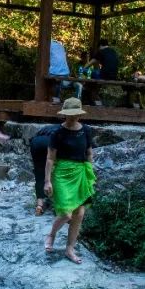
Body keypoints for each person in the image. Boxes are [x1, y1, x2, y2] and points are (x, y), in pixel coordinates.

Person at [44, 97, 96, 264]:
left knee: (79, 213)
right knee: (66, 213)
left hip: (80, 172)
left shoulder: (86, 130)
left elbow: (89, 153)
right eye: (69, 115)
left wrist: (89, 174)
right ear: (64, 115)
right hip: (61, 174)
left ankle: (69, 249)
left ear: (80, 114)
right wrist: (47, 181)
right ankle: (52, 234)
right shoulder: (57, 133)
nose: (73, 118)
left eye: (75, 115)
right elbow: (50, 158)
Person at [29, 124, 60, 215]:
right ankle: (57, 203)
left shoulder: (47, 128)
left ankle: (39, 205)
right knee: (56, 171)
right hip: (49, 143)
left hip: (35, 142)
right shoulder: (64, 129)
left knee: (39, 174)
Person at [94, 39, 119, 106]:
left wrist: (84, 68)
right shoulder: (114, 52)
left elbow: (92, 61)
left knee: (93, 73)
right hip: (114, 76)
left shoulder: (101, 51)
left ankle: (95, 96)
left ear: (101, 45)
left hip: (104, 75)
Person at [49, 38, 71, 104]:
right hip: (66, 72)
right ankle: (57, 98)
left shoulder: (47, 45)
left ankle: (52, 98)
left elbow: (45, 61)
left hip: (55, 73)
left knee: (42, 77)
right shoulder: (61, 45)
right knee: (57, 80)